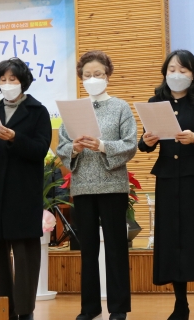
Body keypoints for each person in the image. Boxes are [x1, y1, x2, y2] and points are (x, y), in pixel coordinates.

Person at [138, 49, 194, 320]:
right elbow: (145, 144)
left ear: (193, 74)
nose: (176, 74)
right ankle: (180, 304)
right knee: (173, 240)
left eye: (182, 70)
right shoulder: (156, 102)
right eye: (172, 70)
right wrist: (147, 141)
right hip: (168, 180)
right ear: (165, 73)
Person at [58, 50, 138, 320]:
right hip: (83, 187)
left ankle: (118, 308)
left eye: (98, 74)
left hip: (113, 186)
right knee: (87, 250)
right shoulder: (73, 109)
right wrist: (75, 148)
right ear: (81, 78)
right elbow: (62, 147)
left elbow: (130, 144)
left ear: (108, 75)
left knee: (116, 248)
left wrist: (102, 145)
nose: (92, 79)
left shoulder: (121, 107)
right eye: (87, 75)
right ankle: (89, 308)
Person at [0, 58, 51, 320]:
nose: (7, 84)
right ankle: (2, 309)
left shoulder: (38, 111)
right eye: (3, 80)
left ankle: (25, 311)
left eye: (12, 79)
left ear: (22, 81)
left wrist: (15, 138)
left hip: (22, 192)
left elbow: (40, 150)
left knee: (25, 253)